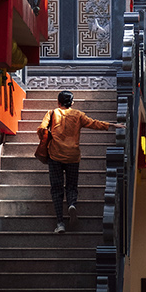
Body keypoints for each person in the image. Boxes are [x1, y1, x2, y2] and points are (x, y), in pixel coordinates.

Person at [38, 91, 122, 234]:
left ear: (58, 102)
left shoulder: (52, 113)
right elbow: (94, 124)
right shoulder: (78, 115)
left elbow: (41, 129)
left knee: (57, 189)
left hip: (55, 156)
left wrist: (47, 137)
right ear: (72, 103)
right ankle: (71, 204)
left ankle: (60, 223)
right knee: (71, 186)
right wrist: (112, 125)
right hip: (73, 156)